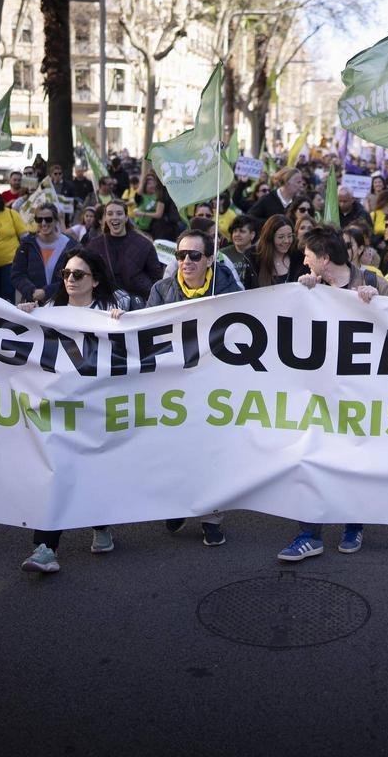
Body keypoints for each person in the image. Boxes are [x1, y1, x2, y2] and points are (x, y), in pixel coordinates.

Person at [278, 227, 388, 562]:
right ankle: (309, 533)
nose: (303, 260)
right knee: (310, 457)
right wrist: (301, 296)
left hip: (362, 393)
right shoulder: (310, 287)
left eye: (308, 255)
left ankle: (353, 525)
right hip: (320, 392)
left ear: (325, 259)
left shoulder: (371, 279)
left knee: (353, 460)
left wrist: (378, 302)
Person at [15, 248, 130, 573]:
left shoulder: (111, 312)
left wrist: (124, 325)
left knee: (93, 467)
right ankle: (45, 547)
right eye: (65, 274)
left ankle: (101, 523)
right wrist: (25, 313)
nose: (70, 280)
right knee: (58, 471)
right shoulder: (50, 311)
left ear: (94, 281)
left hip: (99, 408)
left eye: (78, 275)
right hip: (60, 408)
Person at [147, 231, 242, 545]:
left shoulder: (228, 289)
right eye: (180, 255)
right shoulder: (161, 290)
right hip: (174, 384)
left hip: (216, 384)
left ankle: (212, 516)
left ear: (210, 259)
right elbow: (144, 334)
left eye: (194, 256)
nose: (186, 261)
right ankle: (178, 503)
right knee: (176, 449)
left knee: (214, 453)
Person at [85, 198, 162, 303]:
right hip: (106, 304)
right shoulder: (94, 245)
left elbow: (156, 277)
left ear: (126, 217)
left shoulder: (144, 244)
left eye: (119, 213)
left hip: (138, 305)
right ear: (105, 218)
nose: (114, 217)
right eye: (110, 214)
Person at [12, 204, 78, 304]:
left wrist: (46, 292)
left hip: (62, 304)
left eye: (48, 219)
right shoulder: (27, 244)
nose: (43, 223)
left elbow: (76, 276)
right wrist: (31, 291)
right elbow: (17, 274)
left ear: (56, 220)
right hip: (32, 304)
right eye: (39, 219)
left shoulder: (71, 246)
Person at [256, 214, 305, 286]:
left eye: (290, 236)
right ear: (269, 237)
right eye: (281, 237)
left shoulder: (301, 257)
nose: (287, 241)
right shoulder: (255, 260)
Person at [220, 214, 258, 288]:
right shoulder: (223, 254)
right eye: (235, 231)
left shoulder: (259, 253)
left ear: (252, 235)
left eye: (242, 231)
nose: (237, 234)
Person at [131, 172, 168, 237]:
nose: (152, 185)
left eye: (153, 183)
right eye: (149, 183)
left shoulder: (158, 196)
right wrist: (144, 179)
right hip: (139, 227)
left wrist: (142, 213)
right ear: (144, 186)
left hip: (152, 228)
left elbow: (158, 214)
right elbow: (137, 195)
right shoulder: (141, 196)